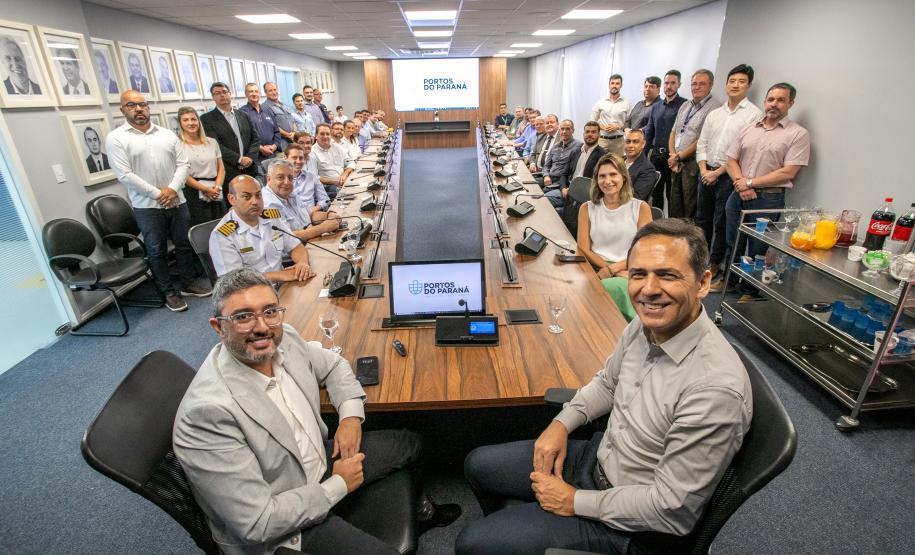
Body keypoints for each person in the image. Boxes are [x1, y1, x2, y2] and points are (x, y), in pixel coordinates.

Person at [456, 218, 752, 555]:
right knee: (477, 464)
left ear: (702, 284)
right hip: (600, 460)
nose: (649, 289)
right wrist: (560, 423)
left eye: (667, 275)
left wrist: (573, 502)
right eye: (639, 274)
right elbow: (608, 384)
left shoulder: (714, 390)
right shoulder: (645, 326)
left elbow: (672, 511)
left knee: (473, 544)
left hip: (633, 525)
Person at [174, 268, 461, 555]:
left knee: (410, 443)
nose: (262, 326)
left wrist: (350, 417)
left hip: (318, 461)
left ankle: (421, 514)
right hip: (285, 524)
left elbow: (334, 366)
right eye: (243, 317)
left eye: (270, 311)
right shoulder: (207, 413)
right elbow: (257, 522)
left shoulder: (283, 337)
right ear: (217, 326)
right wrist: (338, 485)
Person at [106, 89, 211, 312]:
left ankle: (188, 283)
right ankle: (168, 293)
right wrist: (158, 194)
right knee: (156, 250)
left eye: (142, 105)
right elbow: (125, 175)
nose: (139, 109)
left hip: (177, 200)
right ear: (123, 110)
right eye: (132, 106)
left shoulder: (166, 134)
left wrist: (172, 190)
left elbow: (183, 165)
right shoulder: (116, 139)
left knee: (183, 244)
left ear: (148, 107)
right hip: (147, 206)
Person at [717, 83, 810, 297]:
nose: (774, 104)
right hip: (738, 195)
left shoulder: (798, 134)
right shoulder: (749, 128)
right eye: (771, 99)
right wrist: (742, 184)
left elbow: (788, 172)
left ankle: (749, 290)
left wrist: (751, 184)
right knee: (733, 242)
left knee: (758, 248)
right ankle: (729, 282)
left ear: (790, 103)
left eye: (780, 100)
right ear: (765, 101)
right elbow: (731, 159)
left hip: (768, 200)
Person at [696, 64, 762, 281]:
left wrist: (717, 173)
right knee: (702, 218)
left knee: (721, 221)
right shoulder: (715, 114)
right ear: (726, 84)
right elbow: (702, 143)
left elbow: (741, 152)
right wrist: (704, 169)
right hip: (705, 171)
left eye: (741, 81)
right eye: (732, 81)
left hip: (727, 176)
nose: (735, 85)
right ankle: (698, 258)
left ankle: (715, 263)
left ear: (749, 85)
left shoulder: (753, 115)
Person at [576, 153, 653, 321]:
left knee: (602, 291)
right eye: (602, 176)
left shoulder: (640, 208)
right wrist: (606, 268)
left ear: (623, 177)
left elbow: (645, 251)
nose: (607, 180)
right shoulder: (587, 208)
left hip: (630, 269)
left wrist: (613, 270)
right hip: (595, 267)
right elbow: (583, 248)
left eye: (613, 174)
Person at [208, 175, 315, 282]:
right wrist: (280, 276)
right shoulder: (222, 235)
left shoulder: (271, 217)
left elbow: (295, 246)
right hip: (253, 292)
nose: (255, 201)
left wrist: (302, 263)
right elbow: (234, 280)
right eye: (247, 197)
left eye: (258, 195)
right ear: (232, 199)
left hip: (284, 283)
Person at [667, 69, 720, 219]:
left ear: (711, 85)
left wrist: (678, 156)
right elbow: (674, 132)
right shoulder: (685, 105)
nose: (696, 87)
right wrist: (673, 155)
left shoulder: (714, 108)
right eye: (694, 84)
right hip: (676, 162)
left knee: (689, 206)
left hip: (693, 164)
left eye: (701, 84)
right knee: (674, 203)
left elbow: (702, 140)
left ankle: (687, 239)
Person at [200, 82, 260, 195]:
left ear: (230, 94)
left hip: (250, 168)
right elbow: (216, 145)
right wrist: (239, 159)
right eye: (217, 93)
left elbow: (255, 138)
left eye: (224, 92)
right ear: (213, 97)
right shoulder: (207, 119)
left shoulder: (243, 114)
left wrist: (249, 158)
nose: (222, 95)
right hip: (229, 170)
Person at [262, 159, 338, 240]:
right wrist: (323, 228)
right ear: (268, 179)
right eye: (280, 177)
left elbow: (310, 215)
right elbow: (284, 237)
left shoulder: (290, 194)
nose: (287, 182)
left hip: (310, 242)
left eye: (290, 178)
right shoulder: (267, 204)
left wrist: (329, 216)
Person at [644, 70, 686, 212]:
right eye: (667, 83)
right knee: (655, 193)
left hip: (673, 157)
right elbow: (649, 132)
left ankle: (670, 228)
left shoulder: (684, 105)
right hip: (656, 155)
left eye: (673, 83)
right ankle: (657, 224)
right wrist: (643, 157)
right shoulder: (656, 106)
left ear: (679, 84)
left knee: (672, 195)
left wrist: (676, 156)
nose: (669, 86)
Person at [176, 106, 226, 226]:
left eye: (193, 119)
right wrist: (205, 189)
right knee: (201, 229)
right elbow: (182, 174)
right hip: (193, 193)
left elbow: (221, 169)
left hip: (215, 190)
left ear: (198, 121)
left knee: (222, 226)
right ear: (180, 124)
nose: (190, 123)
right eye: (186, 120)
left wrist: (217, 188)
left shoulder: (212, 142)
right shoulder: (177, 145)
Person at [560, 121, 606, 236]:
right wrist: (563, 188)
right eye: (587, 132)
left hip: (585, 195)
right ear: (583, 134)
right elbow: (564, 174)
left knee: (569, 221)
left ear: (599, 135)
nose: (590, 134)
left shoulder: (603, 155)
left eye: (593, 132)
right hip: (567, 192)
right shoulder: (575, 151)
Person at [541, 119, 582, 211]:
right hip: (549, 178)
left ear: (573, 130)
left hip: (561, 182)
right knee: (528, 187)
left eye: (567, 129)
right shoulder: (555, 146)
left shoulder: (578, 147)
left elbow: (573, 171)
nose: (564, 132)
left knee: (541, 200)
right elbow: (546, 165)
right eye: (562, 129)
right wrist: (546, 176)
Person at [285, 142, 333, 221]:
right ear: (285, 158)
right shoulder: (281, 181)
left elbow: (325, 200)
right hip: (292, 219)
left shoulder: (312, 177)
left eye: (301, 158)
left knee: (335, 218)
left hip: (312, 215)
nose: (298, 161)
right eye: (294, 158)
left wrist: (312, 210)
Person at [239, 83, 282, 165]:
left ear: (260, 93)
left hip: (273, 154)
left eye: (256, 91)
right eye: (251, 91)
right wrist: (261, 148)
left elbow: (277, 131)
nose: (254, 94)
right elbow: (244, 137)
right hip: (256, 157)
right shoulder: (242, 112)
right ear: (246, 94)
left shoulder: (267, 110)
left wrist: (274, 146)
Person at [590, 74, 629, 156]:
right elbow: (592, 121)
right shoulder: (600, 102)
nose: (614, 86)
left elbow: (629, 123)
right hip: (602, 140)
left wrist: (618, 127)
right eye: (612, 83)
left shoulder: (626, 103)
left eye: (617, 83)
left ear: (621, 85)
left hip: (618, 142)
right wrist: (602, 127)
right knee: (598, 165)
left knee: (617, 166)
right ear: (609, 85)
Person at [312, 123, 354, 199]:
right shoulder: (312, 152)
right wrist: (334, 181)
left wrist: (345, 174)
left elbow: (350, 162)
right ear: (316, 136)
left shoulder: (337, 147)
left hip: (343, 180)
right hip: (328, 186)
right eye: (322, 134)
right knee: (349, 195)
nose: (325, 136)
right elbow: (314, 177)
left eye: (327, 134)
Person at [624, 129, 657, 201]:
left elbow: (636, 197)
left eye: (635, 142)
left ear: (643, 144)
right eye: (628, 142)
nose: (630, 145)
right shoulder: (618, 161)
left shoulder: (648, 169)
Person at [263, 81, 296, 148]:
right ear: (266, 93)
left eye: (275, 89)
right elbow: (272, 126)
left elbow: (293, 120)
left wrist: (294, 132)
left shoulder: (284, 105)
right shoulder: (265, 107)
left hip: (293, 141)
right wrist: (288, 135)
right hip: (281, 143)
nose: (274, 92)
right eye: (270, 91)